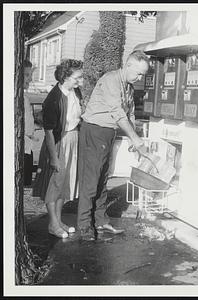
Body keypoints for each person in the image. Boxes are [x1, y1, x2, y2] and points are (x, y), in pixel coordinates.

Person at [77, 50, 150, 241]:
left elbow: (130, 115)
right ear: (128, 65)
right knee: (91, 181)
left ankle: (100, 220)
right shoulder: (111, 80)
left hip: (108, 133)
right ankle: (84, 226)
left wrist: (133, 138)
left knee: (103, 178)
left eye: (143, 74)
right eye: (139, 73)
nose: (140, 77)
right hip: (95, 130)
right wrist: (135, 139)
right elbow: (118, 113)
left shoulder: (129, 87)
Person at [34, 59, 83, 239]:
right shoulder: (53, 99)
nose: (80, 81)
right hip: (57, 143)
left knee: (64, 184)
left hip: (72, 140)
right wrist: (54, 158)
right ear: (65, 76)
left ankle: (59, 221)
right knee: (53, 185)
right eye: (77, 77)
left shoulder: (75, 92)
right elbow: (48, 132)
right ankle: (52, 224)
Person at [24, 60, 35, 186]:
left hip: (28, 145)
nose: (30, 79)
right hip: (22, 146)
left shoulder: (24, 97)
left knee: (27, 181)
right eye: (27, 75)